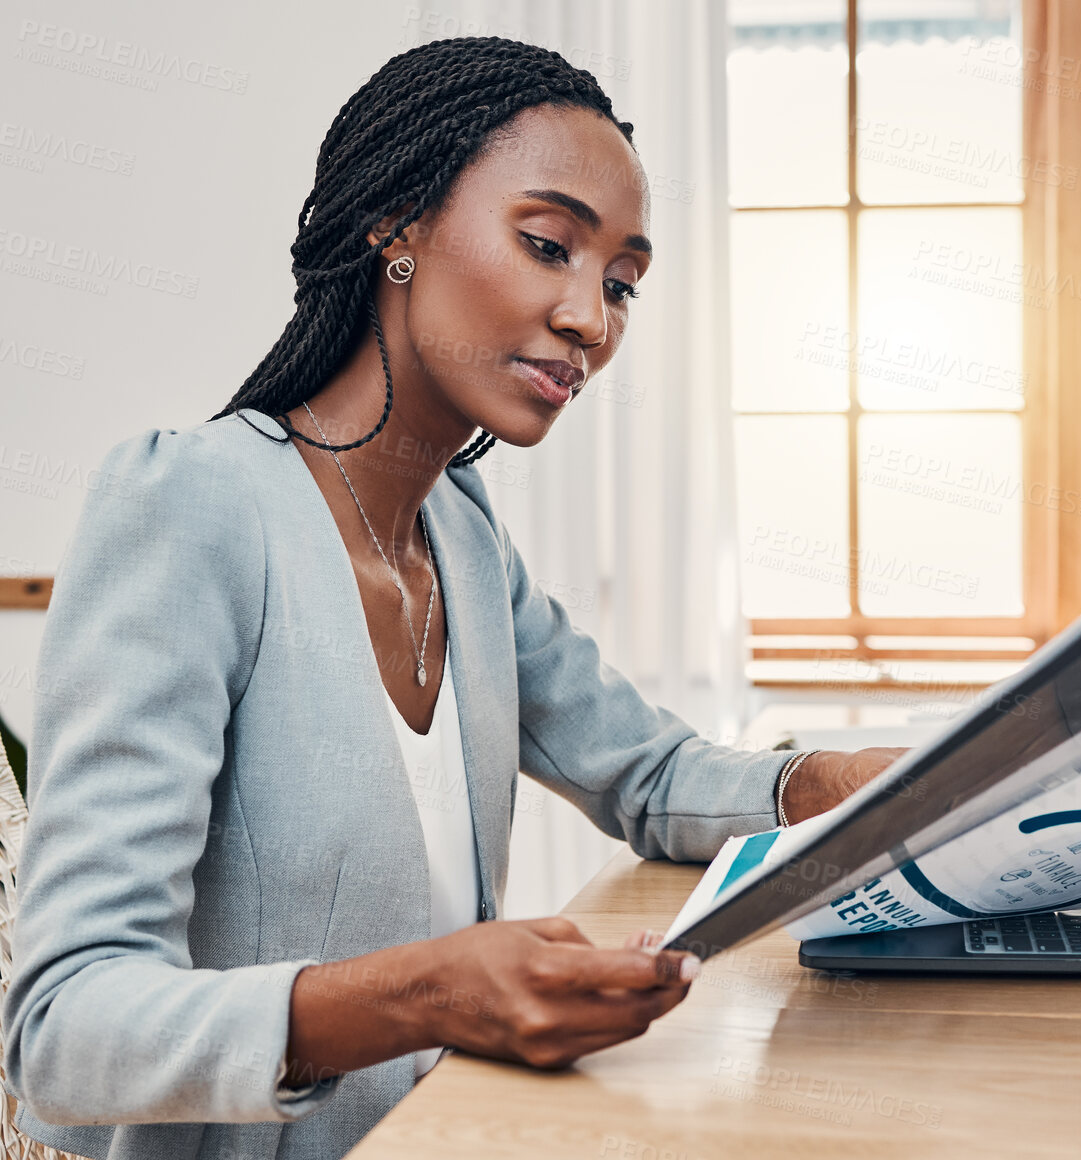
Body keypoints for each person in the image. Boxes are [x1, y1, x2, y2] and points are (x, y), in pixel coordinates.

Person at [2, 38, 898, 1160]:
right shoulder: (192, 505)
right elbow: (63, 1025)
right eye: (546, 245)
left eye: (620, 281)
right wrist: (424, 992)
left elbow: (649, 772)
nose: (592, 319)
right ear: (397, 225)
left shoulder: (460, 536)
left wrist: (832, 782)